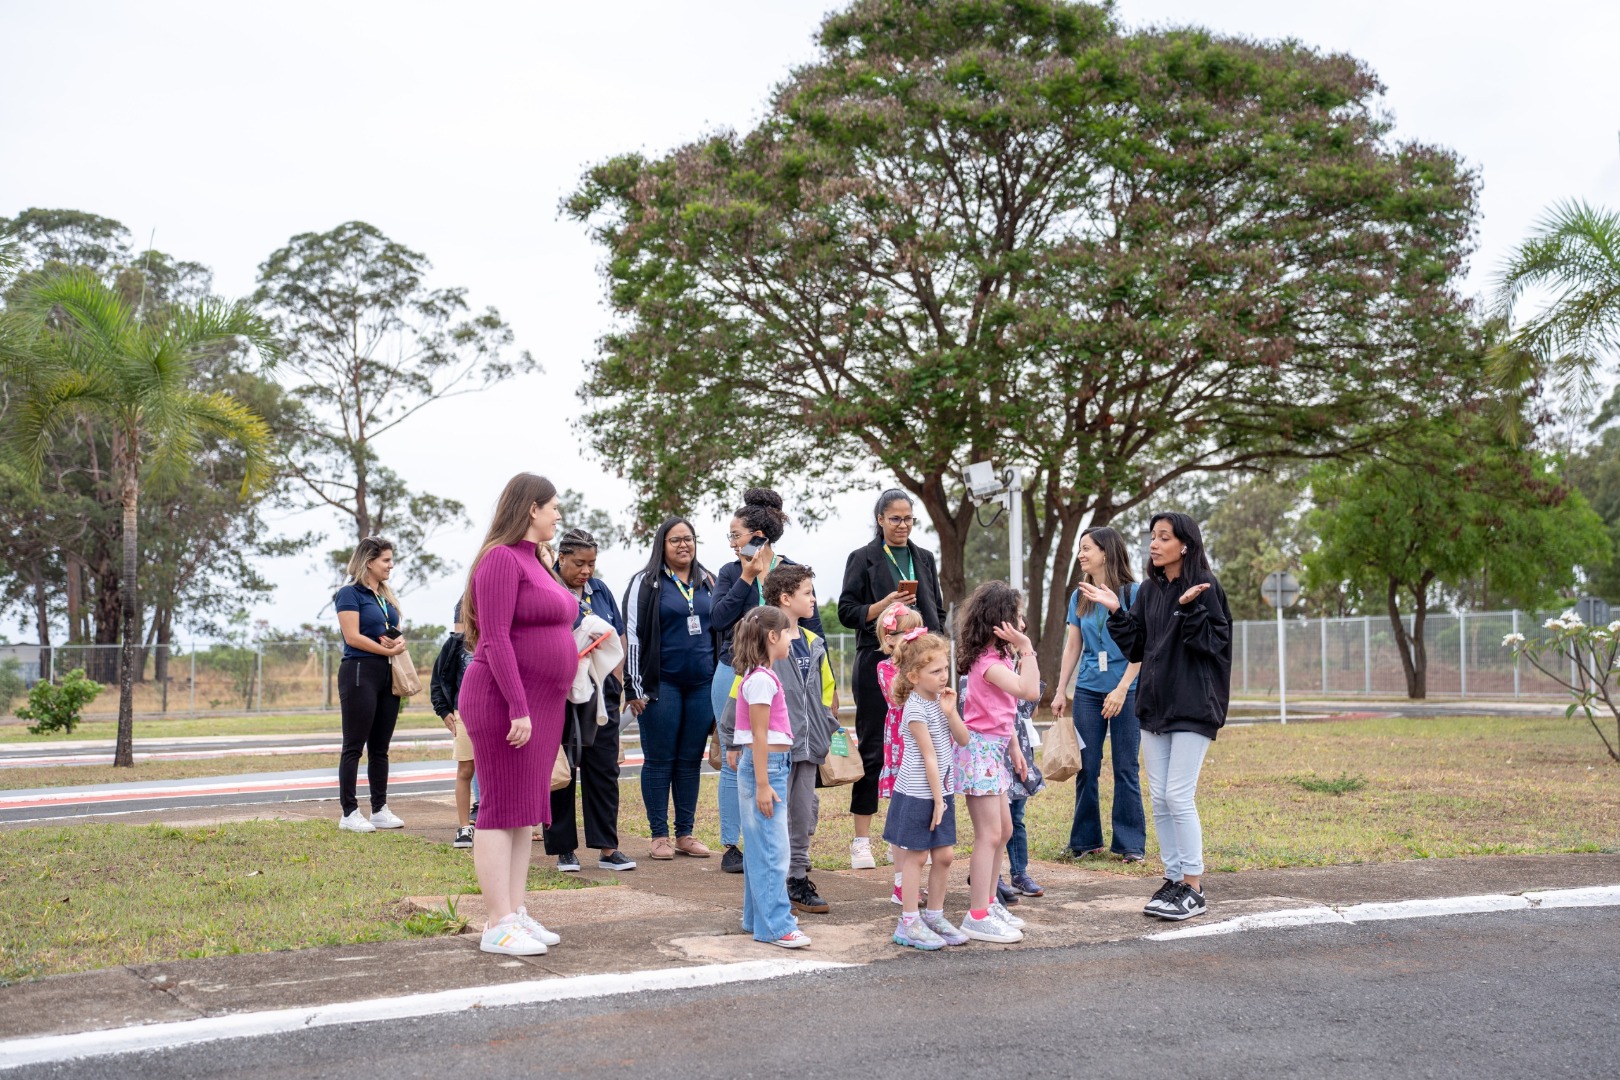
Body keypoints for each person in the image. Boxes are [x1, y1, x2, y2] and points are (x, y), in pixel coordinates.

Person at [1081, 511, 1232, 924]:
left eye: (1164, 537)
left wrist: (1188, 609)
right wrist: (1115, 611)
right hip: (1153, 706)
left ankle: (1195, 887)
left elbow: (1214, 646)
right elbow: (1138, 649)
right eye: (1152, 536)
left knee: (1179, 796)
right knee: (1161, 798)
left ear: (1185, 544)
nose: (1154, 543)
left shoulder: (1205, 587)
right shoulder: (1148, 589)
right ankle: (1173, 879)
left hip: (1194, 706)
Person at [458, 473, 577, 955]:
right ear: (531, 508)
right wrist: (519, 706)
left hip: (540, 703)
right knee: (500, 808)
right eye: (553, 507)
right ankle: (496, 923)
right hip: (506, 702)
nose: (557, 515)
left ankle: (516, 911)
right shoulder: (499, 561)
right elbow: (496, 638)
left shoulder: (537, 562)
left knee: (526, 810)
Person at [710, 488, 824, 874]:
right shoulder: (729, 572)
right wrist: (746, 577)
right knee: (736, 752)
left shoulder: (791, 569)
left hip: (787, 668)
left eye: (736, 535)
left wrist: (827, 680)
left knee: (782, 752)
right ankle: (732, 844)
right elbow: (718, 620)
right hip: (736, 668)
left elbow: (813, 625)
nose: (732, 542)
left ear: (759, 534)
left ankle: (782, 843)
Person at [838, 488, 944, 870]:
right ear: (880, 519)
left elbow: (939, 609)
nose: (903, 525)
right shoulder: (862, 558)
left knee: (919, 749)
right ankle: (861, 841)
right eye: (895, 518)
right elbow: (848, 611)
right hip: (876, 663)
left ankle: (903, 837)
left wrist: (937, 653)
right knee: (873, 749)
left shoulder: (925, 558)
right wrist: (884, 604)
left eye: (909, 519)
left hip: (921, 664)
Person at [623, 518, 717, 860]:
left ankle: (686, 834)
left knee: (691, 761)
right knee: (660, 760)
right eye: (675, 540)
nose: (683, 545)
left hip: (701, 685)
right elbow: (632, 634)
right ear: (661, 544)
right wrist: (633, 686)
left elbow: (718, 629)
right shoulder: (645, 582)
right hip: (660, 685)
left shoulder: (709, 580)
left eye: (688, 539)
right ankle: (659, 835)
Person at [544, 528, 636, 872]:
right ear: (561, 558)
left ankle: (608, 848)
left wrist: (616, 678)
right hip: (559, 691)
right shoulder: (547, 587)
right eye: (579, 564)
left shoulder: (600, 590)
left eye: (592, 564)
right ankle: (564, 848)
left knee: (603, 768)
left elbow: (619, 634)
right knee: (562, 768)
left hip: (602, 691)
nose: (586, 571)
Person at [1053, 526, 1146, 862]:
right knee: (1087, 766)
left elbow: (1142, 648)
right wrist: (1062, 689)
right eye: (1080, 548)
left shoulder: (1134, 594)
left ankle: (1130, 845)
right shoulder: (1080, 596)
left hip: (1129, 690)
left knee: (1125, 767)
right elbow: (1073, 645)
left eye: (1087, 548)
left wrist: (1122, 689)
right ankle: (1085, 840)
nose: (1081, 554)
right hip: (1090, 691)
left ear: (1106, 552)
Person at [954, 581, 1038, 944]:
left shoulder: (1001, 658)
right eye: (1016, 615)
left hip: (995, 751)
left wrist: (1015, 747)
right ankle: (976, 915)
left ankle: (988, 904)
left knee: (1002, 831)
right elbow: (1029, 692)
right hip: (980, 753)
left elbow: (1006, 713)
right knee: (988, 835)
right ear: (1000, 621)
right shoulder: (988, 663)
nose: (1022, 621)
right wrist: (1028, 649)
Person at [883, 629, 971, 950]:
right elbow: (929, 755)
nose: (944, 676)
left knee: (945, 856)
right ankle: (908, 922)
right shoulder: (915, 709)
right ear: (914, 675)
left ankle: (934, 915)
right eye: (935, 671)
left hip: (941, 792)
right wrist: (937, 800)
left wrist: (951, 712)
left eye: (945, 669)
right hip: (919, 793)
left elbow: (963, 739)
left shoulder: (939, 703)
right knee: (916, 857)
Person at [730, 606, 812, 948]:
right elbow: (759, 737)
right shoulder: (762, 680)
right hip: (766, 771)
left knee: (761, 849)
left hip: (768, 768)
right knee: (774, 851)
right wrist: (764, 784)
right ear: (772, 637)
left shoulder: (760, 676)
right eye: (789, 632)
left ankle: (756, 919)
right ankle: (776, 925)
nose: (794, 638)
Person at [762, 563, 840, 916]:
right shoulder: (765, 639)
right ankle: (774, 879)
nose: (813, 599)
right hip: (778, 748)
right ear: (785, 598)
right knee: (775, 814)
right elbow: (742, 690)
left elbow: (825, 693)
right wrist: (732, 739)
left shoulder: (814, 643)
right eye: (808, 592)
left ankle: (797, 876)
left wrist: (827, 725)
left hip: (809, 747)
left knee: (803, 811)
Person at [333, 536, 408, 833]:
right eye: (386, 560)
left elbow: (393, 631)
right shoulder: (349, 594)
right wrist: (387, 649)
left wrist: (396, 641)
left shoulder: (385, 596)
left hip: (387, 672)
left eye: (391, 560)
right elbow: (352, 637)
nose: (391, 565)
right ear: (368, 562)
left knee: (381, 747)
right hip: (359, 670)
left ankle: (379, 809)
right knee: (354, 745)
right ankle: (349, 812)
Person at [873, 601, 925, 905]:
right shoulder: (886, 668)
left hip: (923, 745)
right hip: (902, 746)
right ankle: (900, 884)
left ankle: (912, 880)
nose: (915, 639)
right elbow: (898, 697)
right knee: (903, 817)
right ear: (890, 638)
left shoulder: (922, 666)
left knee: (918, 818)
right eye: (909, 633)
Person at [429, 602, 477, 848]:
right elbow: (438, 680)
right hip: (465, 715)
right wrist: (444, 711)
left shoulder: (502, 640)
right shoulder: (455, 645)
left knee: (496, 773)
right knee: (466, 770)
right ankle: (464, 827)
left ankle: (494, 822)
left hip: (496, 716)